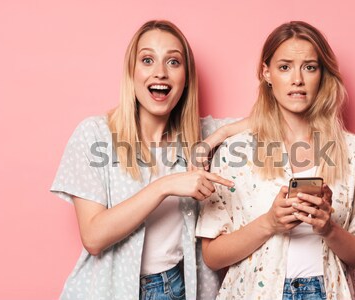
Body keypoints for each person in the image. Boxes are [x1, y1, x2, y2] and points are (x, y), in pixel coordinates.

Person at [51, 20, 247, 300]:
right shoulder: (95, 135)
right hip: (110, 291)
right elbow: (93, 237)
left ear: (186, 77)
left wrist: (218, 136)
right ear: (131, 72)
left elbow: (269, 121)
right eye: (147, 60)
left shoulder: (200, 135)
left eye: (173, 62)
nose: (160, 73)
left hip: (180, 287)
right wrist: (165, 185)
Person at [196, 21, 355, 299]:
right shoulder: (236, 152)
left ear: (323, 74)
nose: (298, 79)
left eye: (309, 67)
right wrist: (269, 223)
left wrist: (328, 228)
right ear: (267, 73)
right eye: (285, 67)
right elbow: (212, 256)